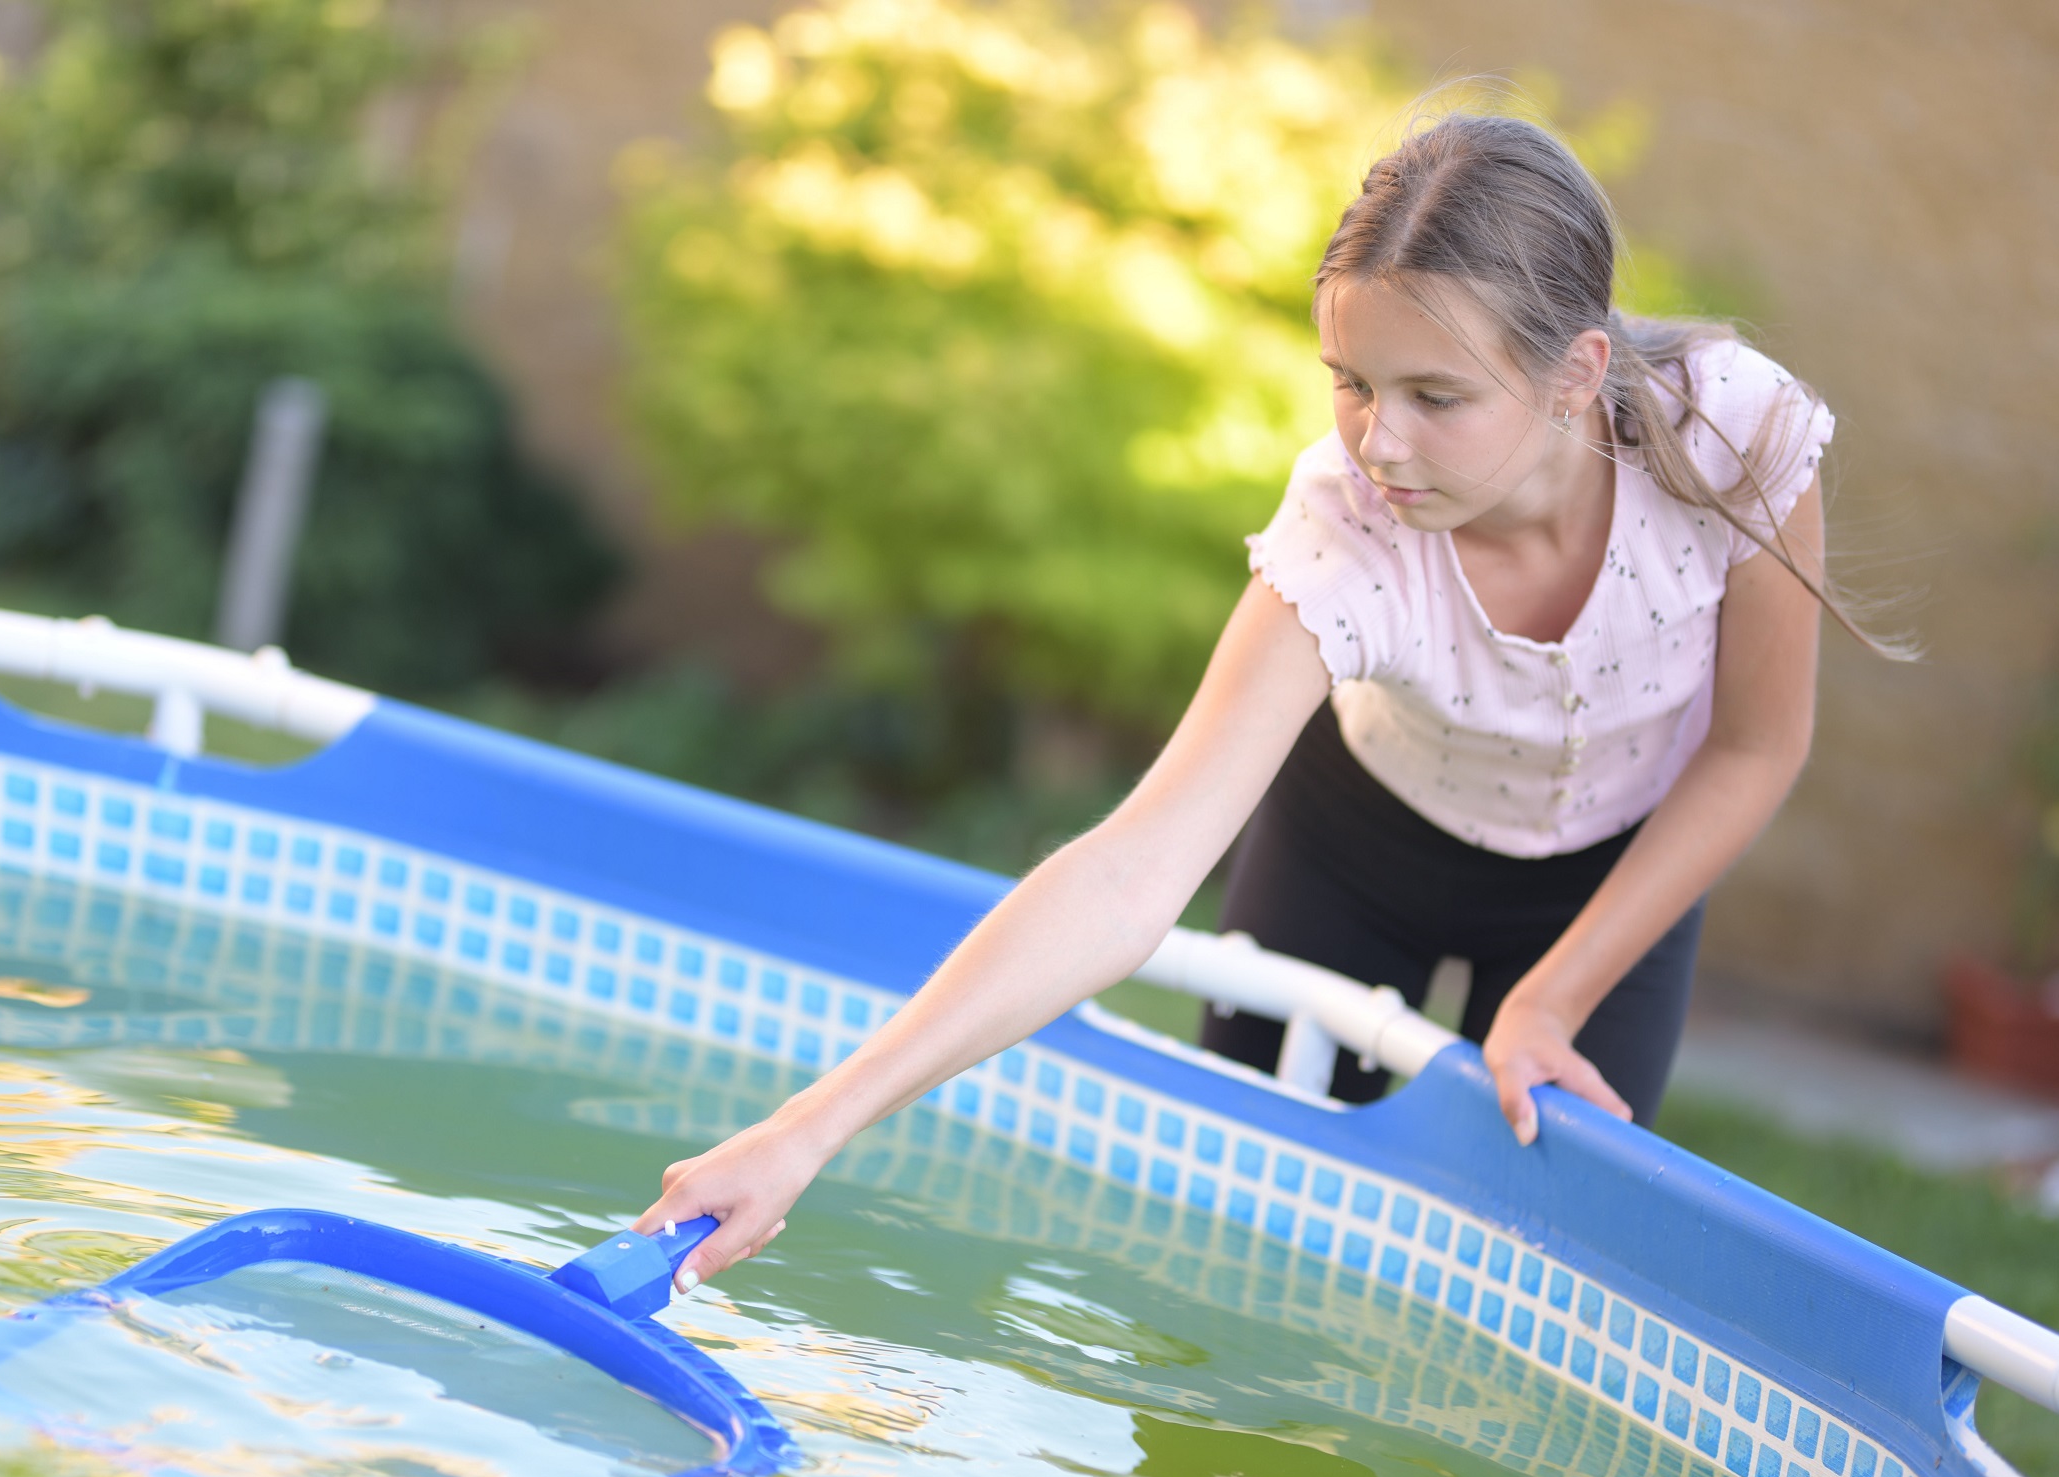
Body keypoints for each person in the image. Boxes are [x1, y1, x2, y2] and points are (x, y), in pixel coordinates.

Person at [639, 112, 1901, 1292]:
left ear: (1573, 373)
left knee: (1544, 1278)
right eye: (1349, 381)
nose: (1376, 441)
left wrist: (1551, 997)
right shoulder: (1346, 532)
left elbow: (1751, 746)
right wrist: (805, 1132)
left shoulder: (1730, 432)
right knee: (1236, 1266)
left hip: (1610, 874)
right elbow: (1130, 869)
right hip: (1353, 855)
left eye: (1433, 397)